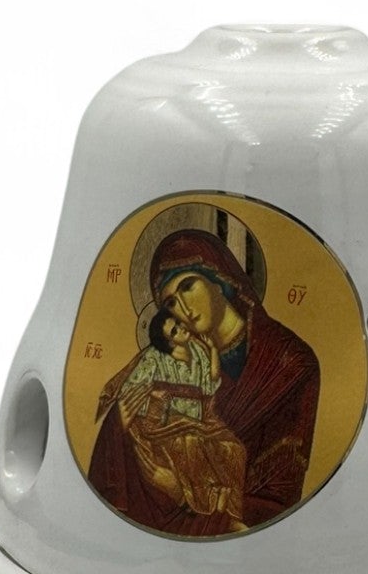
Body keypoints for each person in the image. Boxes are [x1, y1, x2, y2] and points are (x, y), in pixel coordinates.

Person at [87, 228, 321, 536]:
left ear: (219, 279)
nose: (183, 308)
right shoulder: (171, 357)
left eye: (188, 286)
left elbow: (278, 496)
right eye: (170, 303)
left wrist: (184, 493)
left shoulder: (289, 362)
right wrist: (117, 424)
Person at [95, 307, 246, 527]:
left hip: (199, 421)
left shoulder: (198, 350)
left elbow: (211, 383)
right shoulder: (153, 358)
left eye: (178, 323)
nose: (182, 328)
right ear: (168, 342)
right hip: (165, 425)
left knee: (235, 449)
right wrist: (154, 396)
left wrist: (213, 350)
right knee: (191, 445)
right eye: (174, 331)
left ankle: (230, 510)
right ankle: (208, 502)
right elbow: (131, 391)